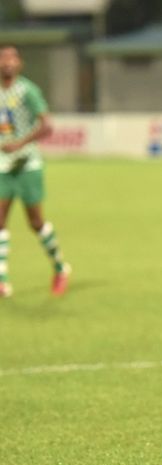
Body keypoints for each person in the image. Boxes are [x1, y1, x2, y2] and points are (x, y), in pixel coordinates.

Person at [0, 45, 70, 298]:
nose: (7, 62)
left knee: (36, 222)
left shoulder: (27, 90)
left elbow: (47, 126)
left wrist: (20, 143)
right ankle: (2, 280)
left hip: (27, 164)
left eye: (12, 58)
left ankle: (60, 268)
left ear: (20, 64)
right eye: (3, 58)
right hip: (3, 166)